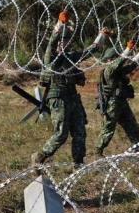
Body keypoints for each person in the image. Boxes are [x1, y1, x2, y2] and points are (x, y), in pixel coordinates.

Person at [31, 11, 110, 167]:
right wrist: (61, 24)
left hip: (73, 97)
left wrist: (101, 35)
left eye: (67, 41)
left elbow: (91, 50)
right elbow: (52, 42)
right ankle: (40, 156)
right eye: (63, 40)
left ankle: (78, 164)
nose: (65, 43)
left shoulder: (72, 56)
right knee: (61, 134)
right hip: (58, 98)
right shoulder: (51, 57)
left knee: (80, 132)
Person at [94, 40, 139, 157]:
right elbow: (118, 62)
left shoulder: (119, 70)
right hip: (112, 104)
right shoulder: (109, 70)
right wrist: (128, 49)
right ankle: (98, 151)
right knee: (108, 128)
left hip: (121, 103)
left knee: (132, 126)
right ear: (110, 59)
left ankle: (136, 149)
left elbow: (132, 65)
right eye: (115, 58)